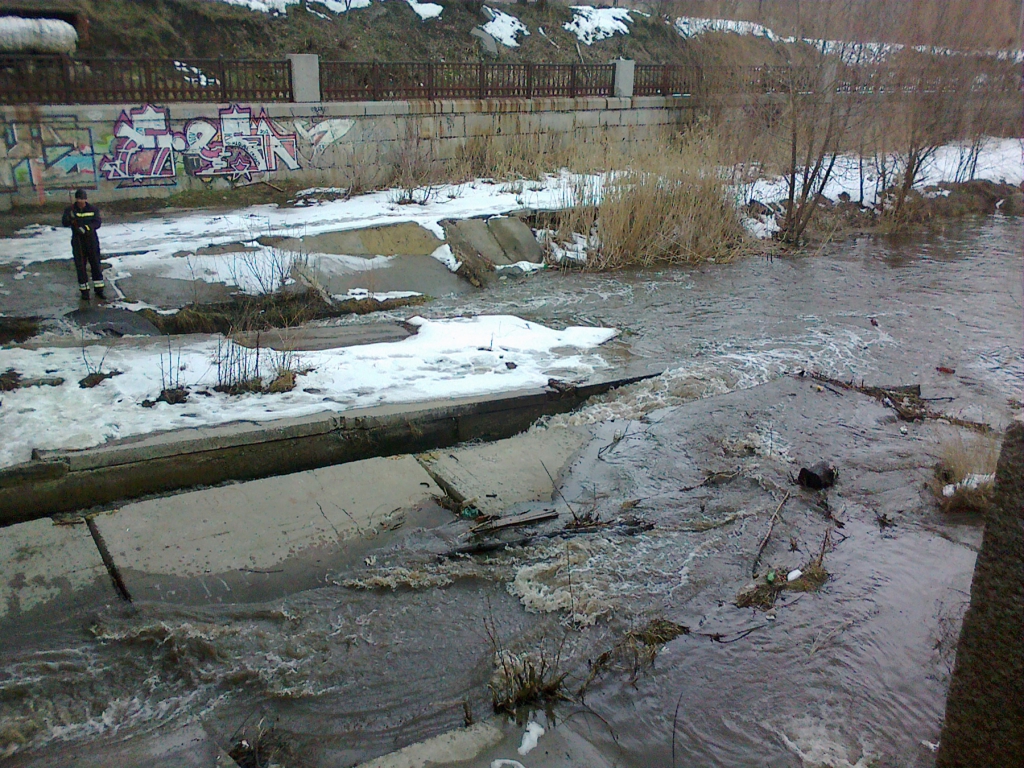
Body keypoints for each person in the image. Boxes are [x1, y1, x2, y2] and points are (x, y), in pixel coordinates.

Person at [62, 189, 105, 301]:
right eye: (79, 199)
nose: (81, 201)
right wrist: (69, 218)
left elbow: (97, 223)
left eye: (83, 199)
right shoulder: (70, 210)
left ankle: (99, 290)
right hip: (78, 242)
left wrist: (86, 228)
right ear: (76, 199)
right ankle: (84, 292)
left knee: (95, 264)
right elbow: (64, 223)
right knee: (81, 267)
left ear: (86, 199)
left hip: (91, 241)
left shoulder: (92, 209)